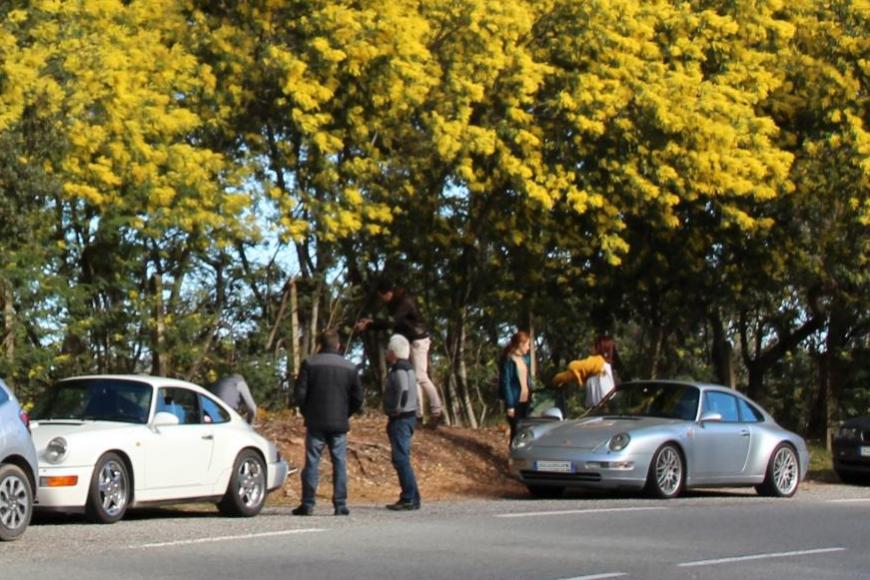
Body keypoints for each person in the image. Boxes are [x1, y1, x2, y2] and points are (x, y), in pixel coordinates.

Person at [292, 330, 364, 517]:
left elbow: (300, 395)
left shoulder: (310, 363)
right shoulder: (350, 367)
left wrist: (307, 411)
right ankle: (340, 504)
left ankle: (307, 503)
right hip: (339, 422)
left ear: (320, 345)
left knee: (312, 462)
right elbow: (358, 398)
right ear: (338, 345)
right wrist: (345, 413)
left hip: (315, 421)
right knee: (339, 462)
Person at [356, 279, 444, 426]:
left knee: (421, 377)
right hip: (410, 340)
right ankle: (418, 414)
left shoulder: (404, 302)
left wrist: (371, 324)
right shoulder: (395, 303)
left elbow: (392, 322)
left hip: (418, 339)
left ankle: (437, 411)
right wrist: (370, 323)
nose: (381, 300)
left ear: (388, 293)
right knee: (413, 378)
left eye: (381, 296)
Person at [383, 334, 421, 511]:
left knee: (401, 458)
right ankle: (413, 496)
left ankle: (408, 497)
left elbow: (403, 389)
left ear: (393, 352)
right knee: (402, 457)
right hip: (409, 417)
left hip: (401, 418)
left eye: (388, 351)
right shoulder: (410, 368)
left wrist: (397, 408)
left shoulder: (399, 369)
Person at [552, 335, 617, 407]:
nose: (591, 348)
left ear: (599, 347)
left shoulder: (597, 361)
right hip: (607, 407)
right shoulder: (605, 365)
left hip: (601, 409)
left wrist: (556, 379)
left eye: (594, 345)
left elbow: (575, 367)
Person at [499, 330, 533, 444]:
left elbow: (527, 379)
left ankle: (522, 457)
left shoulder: (525, 359)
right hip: (514, 401)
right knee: (516, 430)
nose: (528, 348)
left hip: (526, 400)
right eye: (527, 344)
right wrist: (510, 405)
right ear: (521, 344)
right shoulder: (508, 360)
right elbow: (506, 383)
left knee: (525, 430)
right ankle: (513, 457)